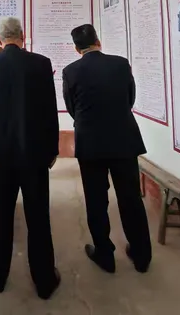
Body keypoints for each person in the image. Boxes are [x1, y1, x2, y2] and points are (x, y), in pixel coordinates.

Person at [0, 16, 61, 300]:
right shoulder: (41, 64)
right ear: (23, 37)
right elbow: (50, 110)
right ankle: (45, 280)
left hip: (1, 154)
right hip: (35, 155)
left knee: (0, 215)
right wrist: (52, 149)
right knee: (38, 216)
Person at [62, 24, 151, 274]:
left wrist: (87, 121)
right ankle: (142, 255)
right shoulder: (121, 64)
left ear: (76, 48)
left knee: (96, 200)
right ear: (98, 41)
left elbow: (71, 107)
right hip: (124, 139)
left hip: (90, 143)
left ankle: (105, 254)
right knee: (131, 198)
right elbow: (130, 98)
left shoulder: (71, 71)